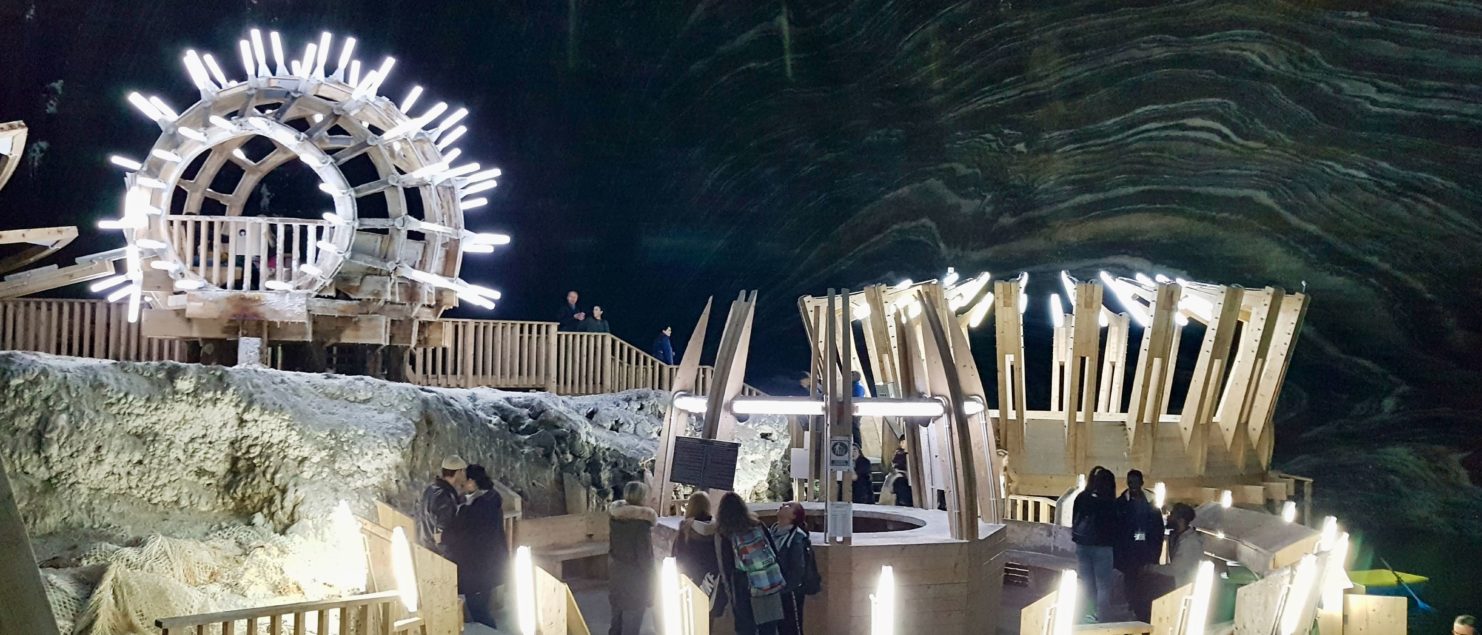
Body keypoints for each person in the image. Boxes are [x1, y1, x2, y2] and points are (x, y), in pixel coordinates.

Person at [443, 464, 507, 629]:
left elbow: (467, 536)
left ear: (472, 482)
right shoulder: (488, 500)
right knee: (478, 610)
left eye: (464, 481)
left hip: (479, 569)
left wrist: (445, 538)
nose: (461, 484)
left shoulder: (481, 507)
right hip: (485, 567)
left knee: (479, 611)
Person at [714, 492, 785, 635]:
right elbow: (773, 551)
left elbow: (726, 566)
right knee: (768, 627)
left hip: (742, 584)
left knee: (746, 628)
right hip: (766, 581)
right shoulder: (757, 524)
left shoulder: (724, 533)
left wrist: (729, 592)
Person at [608, 481, 658, 635]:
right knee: (631, 626)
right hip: (635, 581)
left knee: (616, 622)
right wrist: (653, 584)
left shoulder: (616, 519)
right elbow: (645, 559)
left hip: (617, 574)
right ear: (642, 498)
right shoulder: (641, 526)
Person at [1115, 470, 1165, 622]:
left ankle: (1144, 616)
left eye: (1136, 482)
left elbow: (1158, 531)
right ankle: (1131, 614)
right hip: (1127, 555)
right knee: (1129, 586)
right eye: (1130, 482)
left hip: (1146, 553)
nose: (1133, 485)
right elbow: (1116, 531)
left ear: (1142, 483)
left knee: (1146, 585)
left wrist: (1154, 554)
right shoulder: (1121, 504)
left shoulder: (1152, 505)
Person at [1072, 466, 1118, 622]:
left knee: (1086, 584)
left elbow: (1075, 519)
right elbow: (1114, 526)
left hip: (1082, 545)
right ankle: (1102, 618)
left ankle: (1085, 615)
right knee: (1103, 586)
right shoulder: (1109, 502)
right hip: (1103, 547)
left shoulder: (1082, 497)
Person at [770, 502, 813, 635]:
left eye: (789, 506)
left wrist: (785, 589)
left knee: (791, 627)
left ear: (794, 516)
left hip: (789, 592)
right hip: (772, 588)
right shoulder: (771, 532)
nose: (783, 505)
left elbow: (798, 569)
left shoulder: (797, 538)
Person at [1147, 503, 1205, 588]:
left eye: (1172, 515)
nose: (1168, 517)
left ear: (1180, 520)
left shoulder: (1189, 542)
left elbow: (1174, 569)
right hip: (1180, 584)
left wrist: (1150, 568)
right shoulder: (1180, 537)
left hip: (1183, 587)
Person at [417, 456, 467, 553]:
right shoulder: (444, 496)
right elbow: (442, 531)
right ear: (458, 472)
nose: (465, 475)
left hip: (425, 546)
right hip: (438, 554)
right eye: (464, 471)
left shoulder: (431, 489)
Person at [850, 371, 867, 446]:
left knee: (855, 427)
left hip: (855, 411)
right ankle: (857, 445)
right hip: (854, 410)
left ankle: (858, 445)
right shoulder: (856, 386)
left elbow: (857, 399)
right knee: (854, 427)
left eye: (852, 375)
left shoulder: (857, 387)